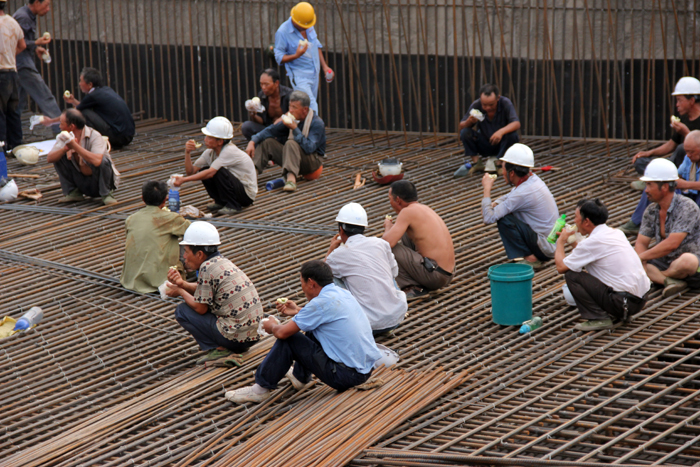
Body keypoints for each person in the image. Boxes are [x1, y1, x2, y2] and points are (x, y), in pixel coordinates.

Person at [226, 260, 381, 404]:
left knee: (290, 339)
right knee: (312, 328)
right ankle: (300, 377)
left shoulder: (320, 303)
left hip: (345, 376)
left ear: (311, 283)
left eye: (302, 283)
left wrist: (271, 326)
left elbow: (282, 333)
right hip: (363, 371)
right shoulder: (342, 293)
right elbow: (325, 315)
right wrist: (298, 310)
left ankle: (260, 389)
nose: (302, 288)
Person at [165, 222, 264, 364]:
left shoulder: (206, 268)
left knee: (182, 311)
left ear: (199, 254)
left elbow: (200, 308)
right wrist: (183, 284)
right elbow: (205, 290)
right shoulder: (221, 262)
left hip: (235, 338)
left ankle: (219, 349)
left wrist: (180, 291)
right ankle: (227, 345)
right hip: (252, 337)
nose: (184, 256)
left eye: (186, 251)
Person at [554, 199, 650, 331]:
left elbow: (561, 267)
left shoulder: (592, 242)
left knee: (571, 275)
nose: (574, 221)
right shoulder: (616, 233)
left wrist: (560, 242)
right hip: (639, 301)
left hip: (622, 303)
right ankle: (620, 313)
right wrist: (572, 242)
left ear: (586, 221)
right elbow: (587, 253)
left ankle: (598, 318)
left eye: (576, 217)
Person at [325, 203, 408, 335]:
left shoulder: (338, 255)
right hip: (396, 318)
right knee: (386, 270)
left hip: (367, 326)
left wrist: (331, 249)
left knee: (328, 276)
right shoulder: (381, 243)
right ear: (363, 228)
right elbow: (394, 273)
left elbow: (319, 273)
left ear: (341, 229)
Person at [481, 143, 559, 269]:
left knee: (504, 219)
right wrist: (495, 203)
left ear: (512, 173)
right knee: (505, 211)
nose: (502, 173)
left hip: (545, 248)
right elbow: (511, 195)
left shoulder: (523, 193)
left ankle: (531, 258)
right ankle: (530, 254)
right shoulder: (532, 179)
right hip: (550, 243)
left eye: (503, 168)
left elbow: (488, 218)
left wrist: (486, 189)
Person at [633, 158, 700, 298]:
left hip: (691, 263)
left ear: (664, 187)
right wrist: (639, 260)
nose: (646, 190)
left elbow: (672, 243)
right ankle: (669, 281)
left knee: (688, 261)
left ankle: (662, 277)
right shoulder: (651, 211)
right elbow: (641, 243)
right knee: (632, 260)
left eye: (649, 185)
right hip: (664, 261)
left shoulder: (687, 207)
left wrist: (640, 258)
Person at [382, 180, 455, 298]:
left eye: (390, 198)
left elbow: (386, 243)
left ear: (398, 200)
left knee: (390, 248)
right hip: (446, 273)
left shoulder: (407, 212)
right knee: (404, 232)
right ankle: (417, 280)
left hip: (435, 276)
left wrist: (388, 227)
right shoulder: (423, 208)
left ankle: (412, 287)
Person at [172, 117, 257, 215]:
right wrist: (187, 152)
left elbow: (210, 173)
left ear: (220, 141)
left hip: (246, 195)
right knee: (204, 170)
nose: (205, 139)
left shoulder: (229, 151)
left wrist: (183, 180)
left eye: (209, 137)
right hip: (236, 189)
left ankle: (233, 205)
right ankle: (220, 201)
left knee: (216, 171)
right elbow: (190, 172)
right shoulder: (209, 152)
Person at [621, 131, 700, 234]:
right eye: (687, 152)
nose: (688, 155)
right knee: (654, 187)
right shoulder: (688, 158)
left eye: (692, 152)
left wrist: (683, 184)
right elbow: (678, 174)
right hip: (688, 193)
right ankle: (636, 222)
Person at [245, 90, 325, 192]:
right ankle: (251, 176)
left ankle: (291, 180)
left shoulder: (317, 123)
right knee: (267, 142)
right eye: (289, 106)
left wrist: (295, 129)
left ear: (305, 110)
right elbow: (270, 130)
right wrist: (252, 141)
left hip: (312, 164)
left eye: (294, 107)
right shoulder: (291, 118)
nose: (290, 110)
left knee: (291, 143)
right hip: (293, 159)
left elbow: (309, 148)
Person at [120, 180, 191, 293]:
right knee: (189, 240)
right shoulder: (171, 218)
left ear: (143, 199)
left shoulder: (131, 219)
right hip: (161, 282)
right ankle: (192, 270)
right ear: (165, 200)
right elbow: (193, 231)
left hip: (131, 282)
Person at [629, 76, 700, 189]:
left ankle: (657, 178)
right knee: (641, 161)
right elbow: (671, 145)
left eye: (679, 100)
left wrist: (686, 132)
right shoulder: (684, 118)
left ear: (691, 100)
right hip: (678, 163)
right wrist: (649, 153)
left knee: (681, 148)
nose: (677, 105)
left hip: (693, 163)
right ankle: (657, 176)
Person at [42, 67, 135, 149]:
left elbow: (74, 114)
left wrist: (51, 121)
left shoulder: (93, 96)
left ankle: (90, 143)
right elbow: (82, 106)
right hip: (128, 136)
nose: (79, 84)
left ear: (90, 84)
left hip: (118, 138)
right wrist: (73, 101)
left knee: (83, 113)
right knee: (84, 112)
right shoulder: (105, 90)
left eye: (81, 81)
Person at [46, 109, 120, 205]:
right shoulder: (64, 136)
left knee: (103, 160)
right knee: (58, 155)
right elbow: (50, 158)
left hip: (99, 182)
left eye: (62, 124)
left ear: (72, 126)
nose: (59, 126)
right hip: (82, 182)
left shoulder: (94, 136)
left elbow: (97, 161)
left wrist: (75, 146)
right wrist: (65, 149)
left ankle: (106, 194)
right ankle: (73, 192)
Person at [273, 1, 333, 114]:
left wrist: (325, 67)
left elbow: (316, 45)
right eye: (303, 26)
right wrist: (296, 55)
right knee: (312, 106)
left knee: (307, 108)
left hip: (314, 73)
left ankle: (305, 125)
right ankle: (314, 125)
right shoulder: (283, 32)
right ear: (296, 21)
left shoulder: (307, 24)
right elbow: (279, 57)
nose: (306, 28)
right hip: (299, 76)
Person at [13, 0, 61, 133]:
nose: (48, 9)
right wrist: (35, 43)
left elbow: (23, 41)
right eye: (46, 5)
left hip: (21, 62)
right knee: (44, 95)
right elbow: (16, 41)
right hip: (22, 63)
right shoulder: (23, 17)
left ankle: (10, 134)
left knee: (17, 103)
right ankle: (61, 130)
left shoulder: (27, 15)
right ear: (36, 3)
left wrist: (35, 48)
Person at [454, 83, 521, 177]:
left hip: (502, 145)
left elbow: (516, 123)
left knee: (512, 135)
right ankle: (477, 163)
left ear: (498, 98)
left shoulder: (505, 103)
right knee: (465, 132)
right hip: (485, 143)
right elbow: (461, 126)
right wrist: (469, 121)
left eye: (491, 105)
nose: (488, 108)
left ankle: (499, 164)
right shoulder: (476, 104)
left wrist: (501, 132)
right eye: (484, 105)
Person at [0, 0, 26, 152]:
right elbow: (22, 45)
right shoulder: (13, 22)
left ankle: (1, 148)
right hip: (12, 72)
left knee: (0, 112)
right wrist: (9, 54)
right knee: (13, 111)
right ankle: (17, 146)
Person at [241, 68, 293, 142]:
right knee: (246, 126)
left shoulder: (289, 94)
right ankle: (260, 146)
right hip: (269, 131)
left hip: (285, 132)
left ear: (276, 83)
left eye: (266, 84)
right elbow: (261, 121)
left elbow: (294, 113)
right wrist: (253, 114)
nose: (263, 87)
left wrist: (279, 121)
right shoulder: (262, 95)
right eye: (261, 84)